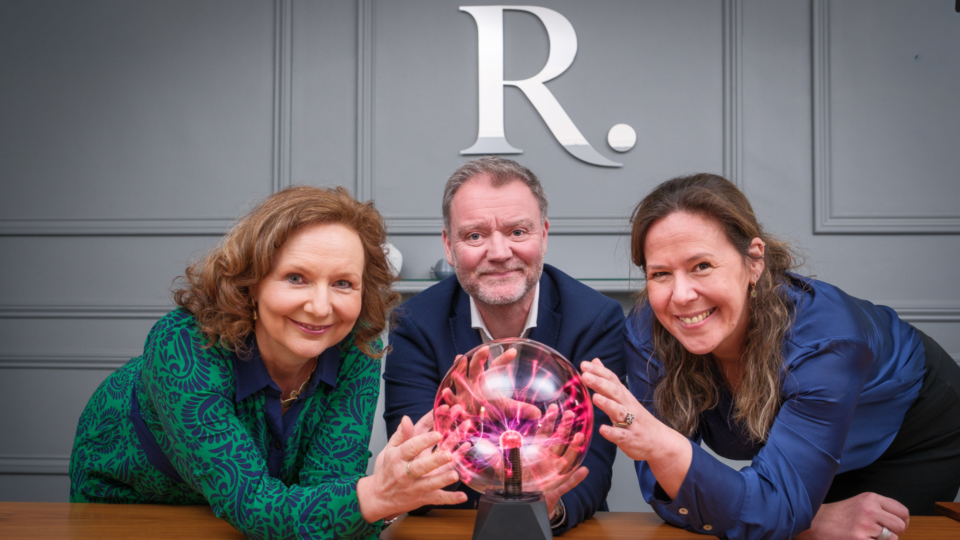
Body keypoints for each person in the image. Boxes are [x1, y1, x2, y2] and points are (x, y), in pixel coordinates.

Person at [70, 186, 467, 539]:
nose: (321, 306)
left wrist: (384, 492)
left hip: (265, 517)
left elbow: (328, 485)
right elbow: (252, 501)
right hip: (133, 504)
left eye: (343, 283)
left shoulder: (356, 345)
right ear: (251, 281)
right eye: (296, 277)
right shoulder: (182, 342)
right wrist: (376, 495)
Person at [580, 173, 960, 540]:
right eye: (660, 273)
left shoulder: (827, 341)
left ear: (754, 261)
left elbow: (753, 503)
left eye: (702, 266)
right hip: (793, 465)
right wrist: (810, 520)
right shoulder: (648, 333)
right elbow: (670, 498)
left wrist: (790, 517)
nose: (680, 296)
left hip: (907, 435)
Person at [383, 157, 626, 534]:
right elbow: (417, 463)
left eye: (517, 231)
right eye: (475, 235)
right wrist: (477, 413)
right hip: (451, 528)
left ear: (543, 235)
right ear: (449, 245)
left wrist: (549, 507)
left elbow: (591, 463)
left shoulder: (595, 319)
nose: (498, 253)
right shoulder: (414, 323)